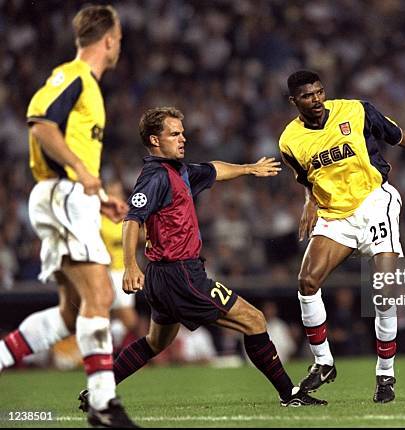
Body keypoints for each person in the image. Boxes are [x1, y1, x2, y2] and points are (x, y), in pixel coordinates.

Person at [78, 107, 326, 411]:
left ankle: (98, 389)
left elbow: (213, 169)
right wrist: (130, 264)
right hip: (180, 274)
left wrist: (249, 168)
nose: (183, 138)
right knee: (254, 320)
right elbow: (132, 219)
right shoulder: (155, 177)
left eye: (182, 132)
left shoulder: (178, 171)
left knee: (156, 342)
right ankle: (290, 394)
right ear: (155, 141)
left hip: (164, 275)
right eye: (175, 134)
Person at [0, 5, 138, 427]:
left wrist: (99, 200)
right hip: (62, 193)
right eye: (119, 38)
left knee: (71, 311)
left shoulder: (92, 88)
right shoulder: (73, 75)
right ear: (109, 39)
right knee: (100, 295)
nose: (120, 45)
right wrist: (80, 171)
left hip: (75, 198)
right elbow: (40, 123)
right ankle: (102, 404)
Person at [278, 70, 405, 403]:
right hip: (335, 214)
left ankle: (385, 374)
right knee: (307, 282)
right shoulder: (289, 141)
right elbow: (305, 178)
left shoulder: (355, 110)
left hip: (374, 201)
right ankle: (323, 363)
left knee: (382, 290)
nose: (316, 100)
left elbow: (398, 135)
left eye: (319, 92)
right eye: (307, 96)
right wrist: (309, 201)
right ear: (293, 101)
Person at [100, 180, 140, 349]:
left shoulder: (128, 217)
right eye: (111, 192)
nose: (114, 196)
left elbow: (142, 235)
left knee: (129, 321)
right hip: (105, 272)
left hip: (124, 271)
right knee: (105, 317)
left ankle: (120, 349)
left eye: (117, 192)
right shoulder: (98, 218)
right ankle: (102, 356)